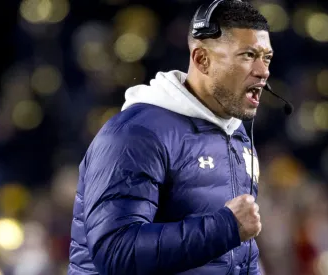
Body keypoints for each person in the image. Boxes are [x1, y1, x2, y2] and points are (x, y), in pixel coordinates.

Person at [67, 0, 273, 274]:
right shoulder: (136, 134)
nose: (263, 71)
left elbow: (235, 256)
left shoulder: (235, 134)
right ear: (202, 59)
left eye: (266, 57)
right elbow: (115, 252)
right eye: (248, 55)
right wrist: (225, 227)